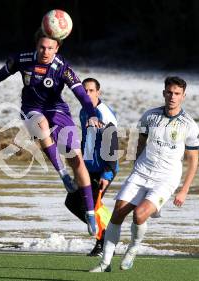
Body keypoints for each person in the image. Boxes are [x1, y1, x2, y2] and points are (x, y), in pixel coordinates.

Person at [0, 29, 99, 235]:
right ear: (36, 46)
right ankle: (63, 175)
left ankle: (91, 213)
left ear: (57, 48)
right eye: (42, 47)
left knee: (76, 159)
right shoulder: (23, 59)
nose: (45, 51)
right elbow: (4, 71)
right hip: (32, 108)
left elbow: (81, 94)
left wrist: (91, 113)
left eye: (50, 48)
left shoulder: (62, 68)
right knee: (40, 126)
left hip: (58, 110)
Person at [90, 76, 199, 272]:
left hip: (166, 178)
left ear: (183, 96)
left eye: (177, 94)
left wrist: (184, 189)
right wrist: (135, 167)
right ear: (164, 93)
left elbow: (193, 160)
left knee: (139, 216)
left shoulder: (189, 125)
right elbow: (140, 143)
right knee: (117, 213)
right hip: (141, 172)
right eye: (169, 92)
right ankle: (105, 263)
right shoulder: (149, 116)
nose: (172, 97)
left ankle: (133, 248)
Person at [65, 78, 118, 257]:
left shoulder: (104, 113)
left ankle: (103, 240)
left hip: (103, 169)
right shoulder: (83, 111)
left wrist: (108, 172)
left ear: (98, 92)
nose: (87, 94)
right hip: (87, 168)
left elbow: (111, 142)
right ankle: (105, 231)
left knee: (92, 206)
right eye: (84, 91)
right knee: (72, 202)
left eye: (90, 91)